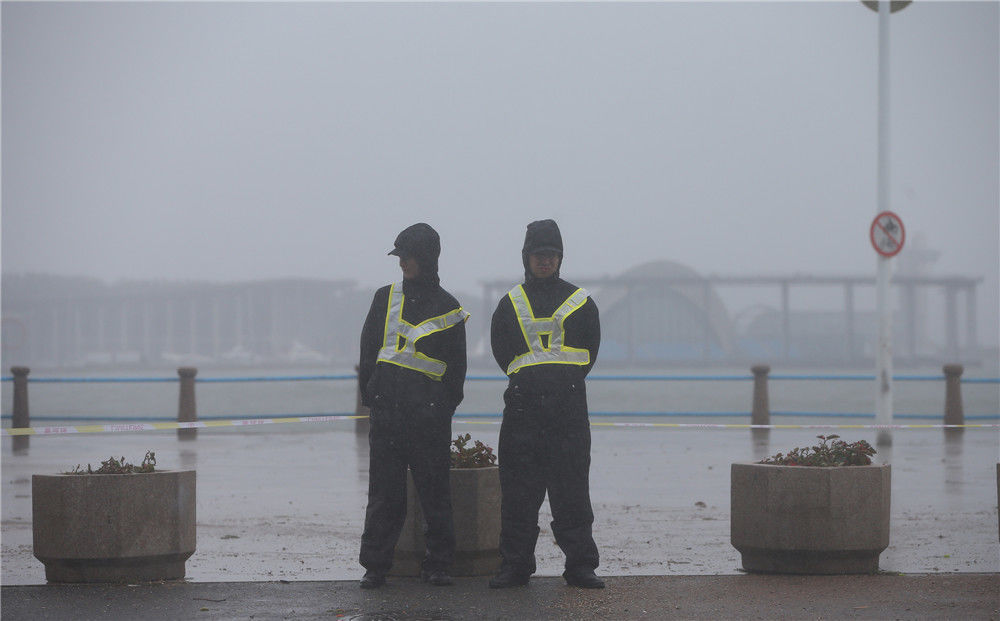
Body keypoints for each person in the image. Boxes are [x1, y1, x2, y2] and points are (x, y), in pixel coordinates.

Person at [488, 219, 604, 589]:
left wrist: (560, 383)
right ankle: (515, 566)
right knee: (518, 496)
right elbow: (502, 352)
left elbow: (589, 353)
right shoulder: (510, 304)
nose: (545, 260)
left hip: (568, 414)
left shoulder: (582, 302)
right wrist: (532, 383)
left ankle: (581, 567)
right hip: (522, 413)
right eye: (539, 254)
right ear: (527, 257)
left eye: (552, 254)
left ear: (560, 258)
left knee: (572, 493)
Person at [357, 223, 469, 589]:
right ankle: (375, 566)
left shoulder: (450, 308)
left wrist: (440, 409)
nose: (402, 262)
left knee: (435, 494)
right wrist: (373, 399)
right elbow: (368, 352)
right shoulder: (384, 298)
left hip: (429, 419)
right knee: (383, 495)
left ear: (427, 258)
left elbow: (456, 370)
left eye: (408, 256)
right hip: (387, 415)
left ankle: (439, 565)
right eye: (399, 257)